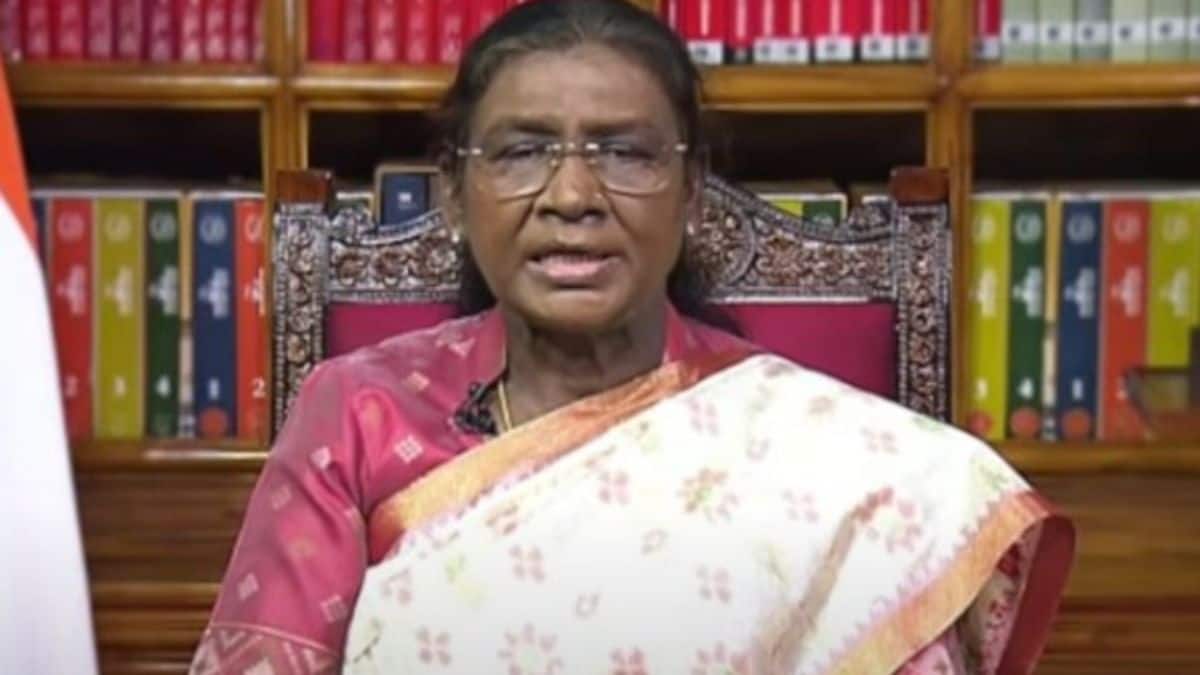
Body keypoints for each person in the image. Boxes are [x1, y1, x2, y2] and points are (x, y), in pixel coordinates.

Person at [189, 1, 1074, 673]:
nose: (573, 195)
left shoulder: (821, 458)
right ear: (455, 193)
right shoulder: (360, 413)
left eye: (625, 152)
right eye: (522, 151)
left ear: (691, 196)